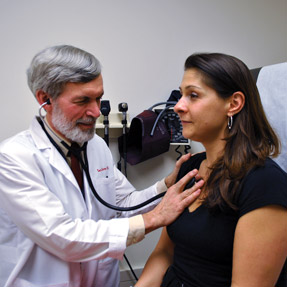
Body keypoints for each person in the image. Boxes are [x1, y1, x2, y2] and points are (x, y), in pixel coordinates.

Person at [0, 45, 204, 287]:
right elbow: (62, 238)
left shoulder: (94, 145)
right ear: (45, 100)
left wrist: (164, 188)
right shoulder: (13, 158)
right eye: (83, 100)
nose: (96, 111)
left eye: (98, 98)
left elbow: (123, 205)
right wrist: (154, 219)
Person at [136, 53, 287, 287]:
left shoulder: (264, 183)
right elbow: (165, 253)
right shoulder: (190, 168)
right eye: (181, 94)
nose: (177, 106)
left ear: (233, 104)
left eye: (193, 95)